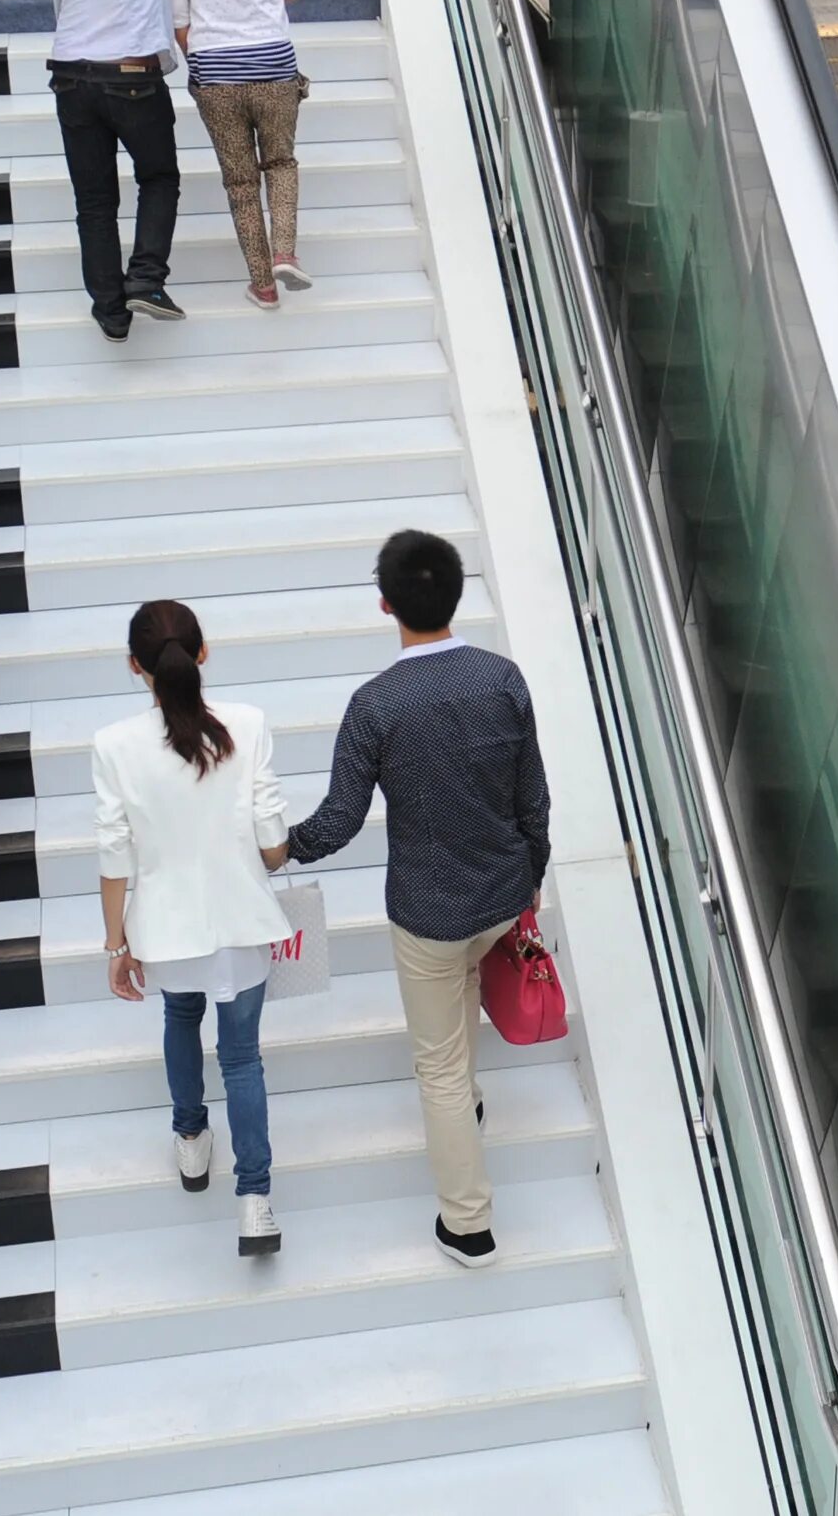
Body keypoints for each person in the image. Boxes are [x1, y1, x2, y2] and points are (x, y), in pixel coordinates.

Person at [283, 530, 552, 1270]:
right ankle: (467, 1110)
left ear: (385, 603)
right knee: (456, 1031)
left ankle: (469, 1226)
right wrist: (532, 874)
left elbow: (337, 822)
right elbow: (534, 797)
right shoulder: (503, 678)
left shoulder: (377, 705)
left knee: (437, 1064)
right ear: (456, 595)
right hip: (503, 893)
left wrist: (280, 848)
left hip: (429, 912)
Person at [97, 599, 297, 1258]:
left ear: (135, 666)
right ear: (202, 653)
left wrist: (116, 945)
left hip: (163, 929)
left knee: (180, 1020)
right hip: (240, 922)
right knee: (242, 1059)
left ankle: (190, 1141)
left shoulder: (114, 745)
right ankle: (255, 1202)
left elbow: (114, 853)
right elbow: (271, 838)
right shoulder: (248, 725)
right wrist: (272, 851)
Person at [47, 0, 281, 341]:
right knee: (158, 178)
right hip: (131, 73)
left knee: (94, 201)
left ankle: (110, 309)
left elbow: (61, 4)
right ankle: (146, 279)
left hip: (68, 75)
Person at [170, 0, 312, 314]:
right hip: (274, 62)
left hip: (216, 70)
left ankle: (263, 285)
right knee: (282, 162)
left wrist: (202, 62)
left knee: (240, 180)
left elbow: (178, 14)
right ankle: (286, 252)